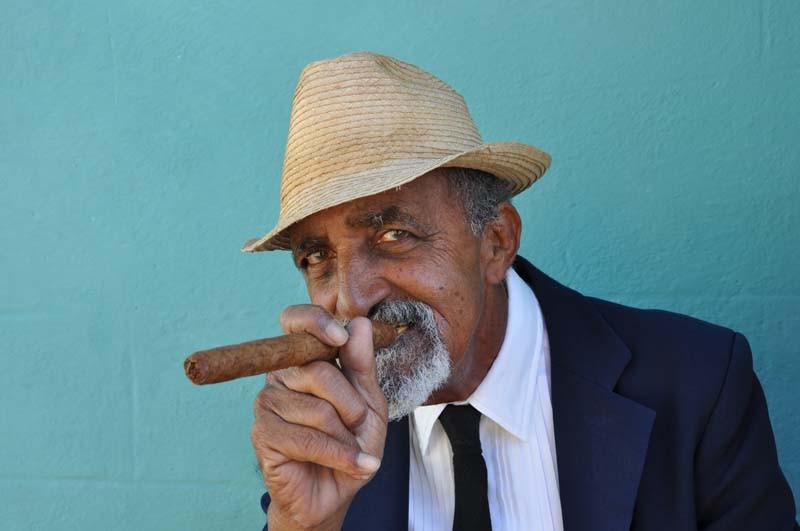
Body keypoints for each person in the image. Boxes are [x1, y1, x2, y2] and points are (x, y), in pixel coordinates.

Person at [243, 52, 798, 530]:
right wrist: (302, 525)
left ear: (496, 242)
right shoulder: (321, 434)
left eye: (393, 235)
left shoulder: (698, 384)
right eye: (316, 257)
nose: (351, 300)